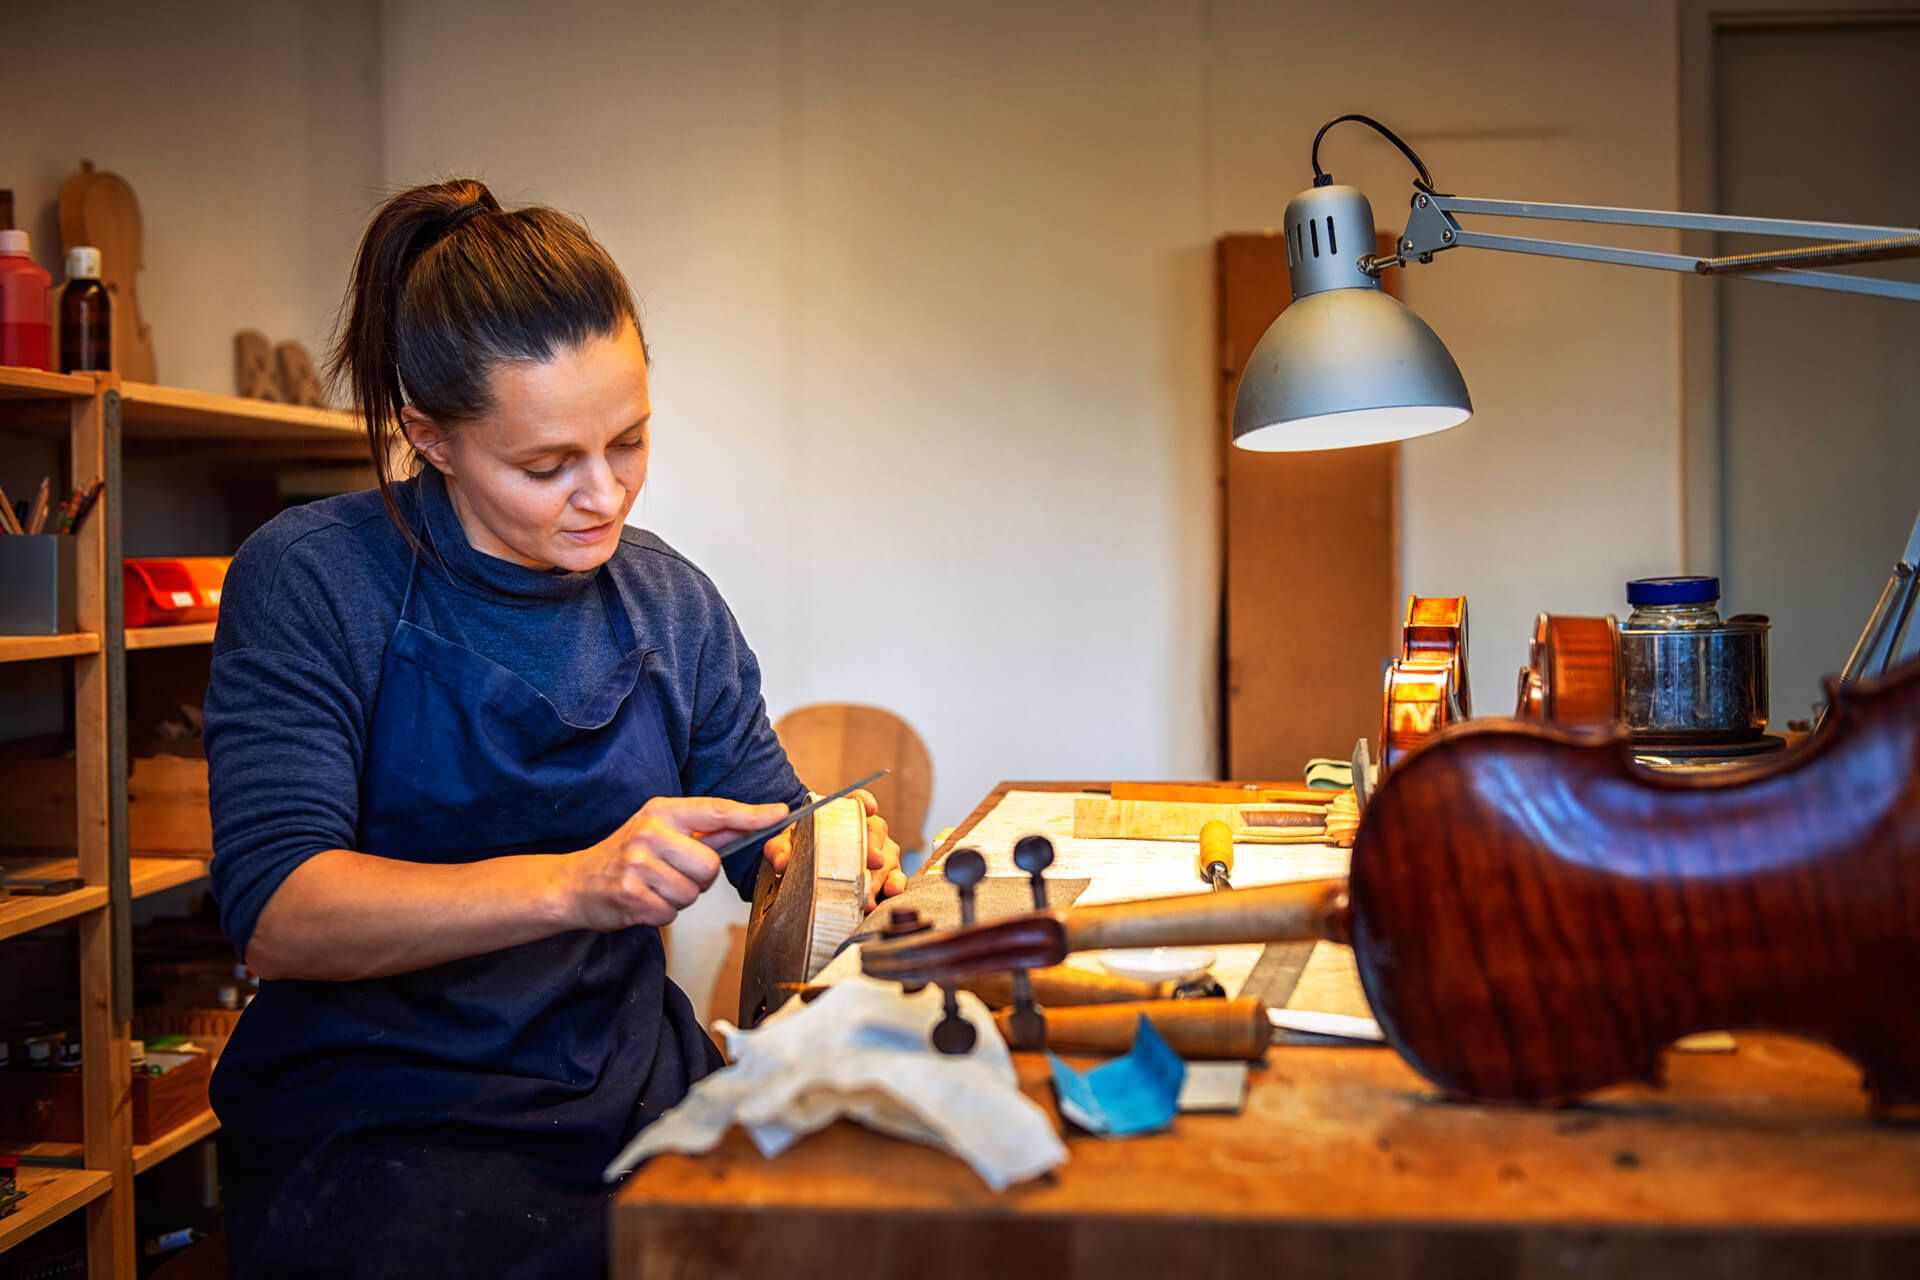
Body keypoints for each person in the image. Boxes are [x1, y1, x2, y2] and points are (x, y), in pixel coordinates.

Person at [203, 179, 907, 1279]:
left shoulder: (670, 602)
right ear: (430, 436)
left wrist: (829, 862)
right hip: (386, 1120)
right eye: (546, 466)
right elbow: (279, 912)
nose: (605, 495)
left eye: (628, 441)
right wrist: (577, 882)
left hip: (628, 1089)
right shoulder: (314, 579)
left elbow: (767, 835)